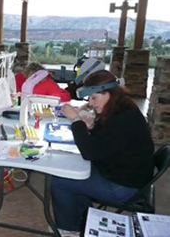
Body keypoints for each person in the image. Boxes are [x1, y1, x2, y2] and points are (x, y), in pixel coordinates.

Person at [50, 70, 154, 236]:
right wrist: (92, 127)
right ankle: (82, 219)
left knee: (60, 181)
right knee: (74, 171)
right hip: (124, 175)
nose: (90, 103)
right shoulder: (122, 108)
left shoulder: (124, 118)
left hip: (123, 187)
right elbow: (108, 142)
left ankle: (69, 229)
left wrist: (76, 121)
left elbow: (90, 152)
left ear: (108, 93)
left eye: (93, 98)